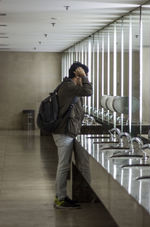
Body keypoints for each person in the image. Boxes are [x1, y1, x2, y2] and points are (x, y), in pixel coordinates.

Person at [52, 61, 93, 209]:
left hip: (66, 131)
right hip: (64, 132)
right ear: (77, 74)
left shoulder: (69, 86)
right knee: (63, 166)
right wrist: (84, 78)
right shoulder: (69, 86)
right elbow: (89, 92)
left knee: (64, 166)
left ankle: (62, 197)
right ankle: (60, 199)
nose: (85, 79)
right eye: (83, 75)